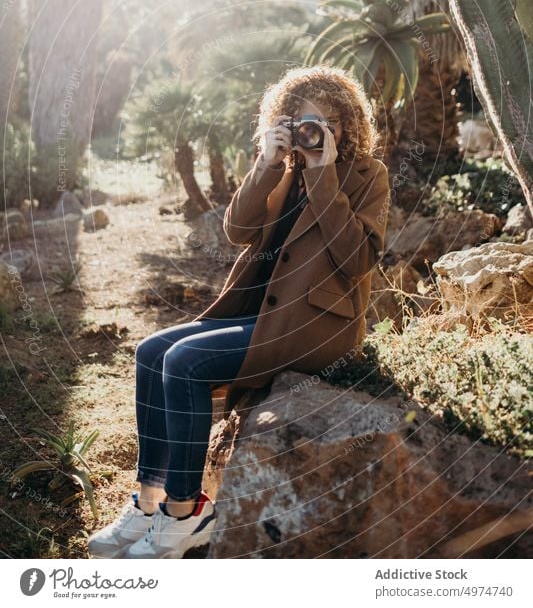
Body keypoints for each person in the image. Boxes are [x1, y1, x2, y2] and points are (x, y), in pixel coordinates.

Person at [87, 64, 390, 559]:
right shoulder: (283, 170)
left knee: (184, 362)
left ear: (347, 126)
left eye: (326, 123)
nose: (314, 133)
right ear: (284, 124)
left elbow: (357, 259)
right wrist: (267, 162)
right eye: (302, 123)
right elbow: (237, 230)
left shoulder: (366, 177)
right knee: (150, 352)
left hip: (314, 326)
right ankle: (148, 502)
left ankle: (186, 514)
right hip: (262, 313)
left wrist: (324, 173)